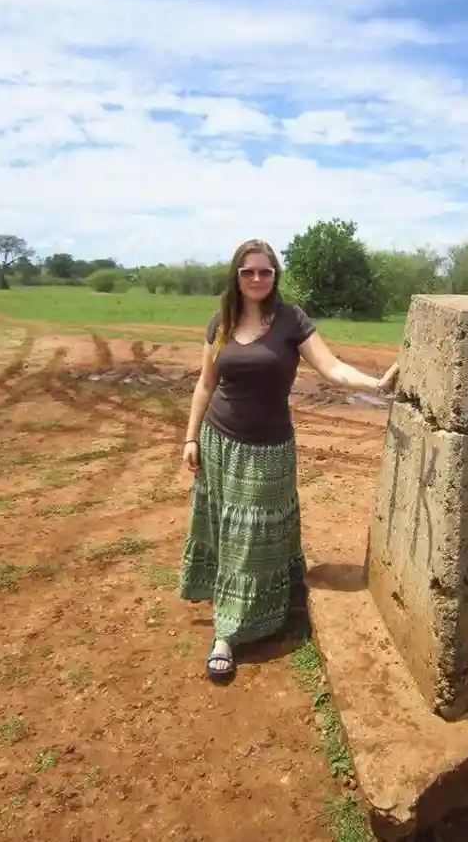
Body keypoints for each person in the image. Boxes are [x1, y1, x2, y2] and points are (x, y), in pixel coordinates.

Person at [180, 238, 399, 682]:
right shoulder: (221, 321)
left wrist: (376, 384)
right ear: (236, 276)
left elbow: (332, 368)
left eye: (265, 271)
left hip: (270, 450)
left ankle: (267, 606)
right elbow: (206, 384)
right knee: (230, 532)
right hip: (220, 442)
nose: (257, 279)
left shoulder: (291, 320)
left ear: (275, 275)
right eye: (248, 272)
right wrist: (190, 439)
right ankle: (227, 631)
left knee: (262, 530)